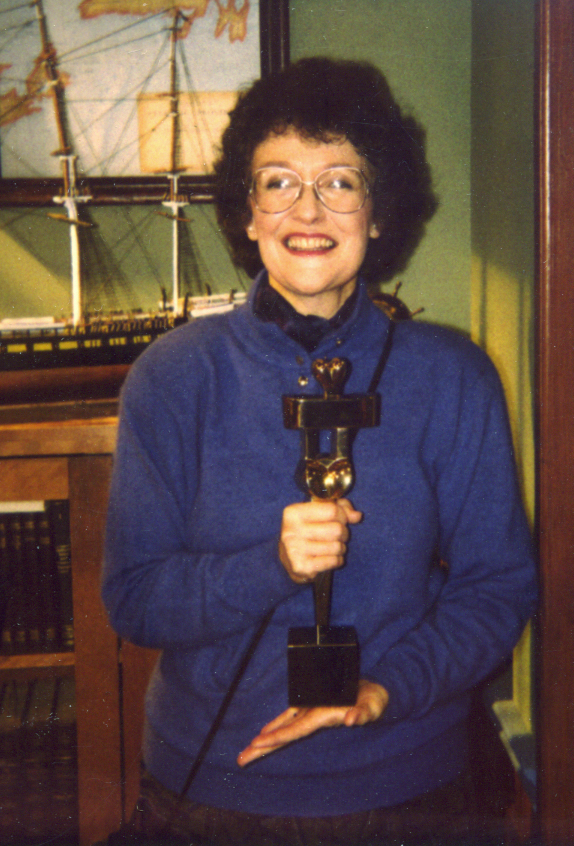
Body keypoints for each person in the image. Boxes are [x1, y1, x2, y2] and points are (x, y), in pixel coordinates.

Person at [102, 57, 537, 845]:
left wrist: (383, 691)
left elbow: (497, 587)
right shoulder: (171, 378)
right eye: (278, 181)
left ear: (378, 213)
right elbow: (133, 598)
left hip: (411, 785)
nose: (308, 208)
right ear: (246, 212)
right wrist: (271, 563)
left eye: (340, 180)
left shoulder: (454, 374)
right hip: (213, 786)